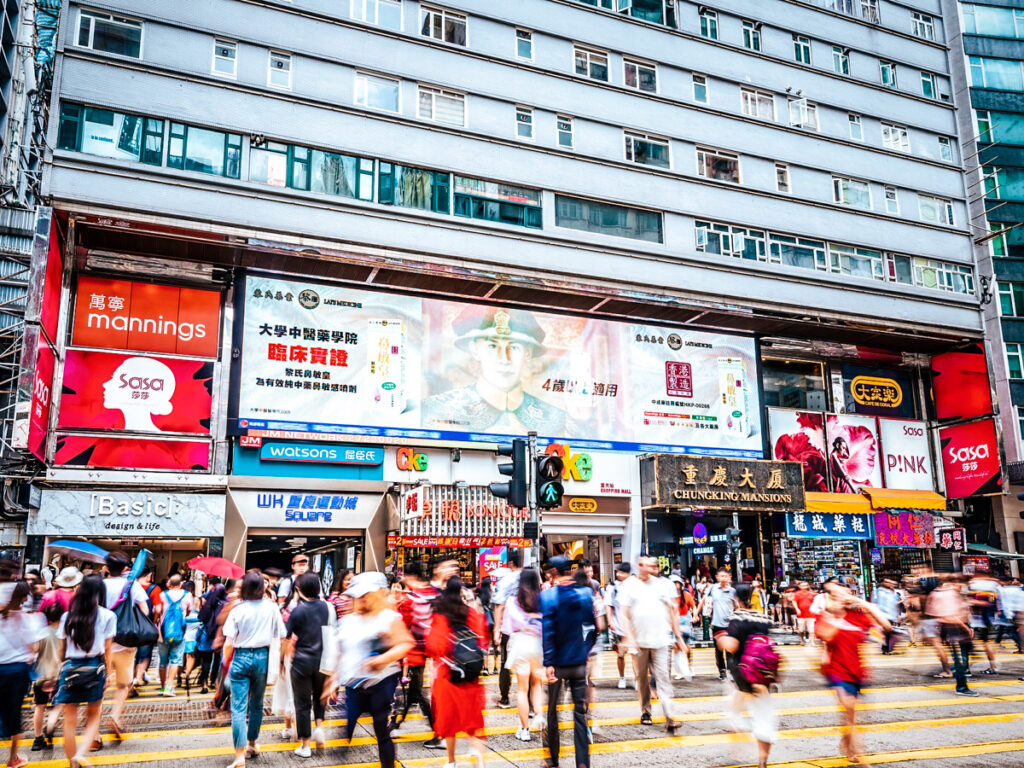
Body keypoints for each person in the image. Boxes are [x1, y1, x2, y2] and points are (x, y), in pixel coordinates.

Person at [421, 307, 568, 433]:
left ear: (528, 353)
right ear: (475, 350)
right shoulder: (438, 409)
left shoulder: (555, 419)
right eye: (492, 346)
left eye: (514, 348)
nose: (504, 359)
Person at [324, 572, 413, 768]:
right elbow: (342, 652)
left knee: (382, 732)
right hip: (353, 685)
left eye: (365, 595)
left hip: (381, 685)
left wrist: (383, 659)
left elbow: (405, 643)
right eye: (357, 596)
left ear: (379, 594)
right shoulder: (348, 621)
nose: (361, 600)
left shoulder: (388, 617)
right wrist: (333, 681)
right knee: (344, 731)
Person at [815, 580, 892, 765]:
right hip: (837, 671)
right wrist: (836, 615)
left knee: (851, 715)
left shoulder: (858, 615)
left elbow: (886, 627)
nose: (839, 599)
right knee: (850, 711)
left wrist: (865, 604)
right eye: (834, 596)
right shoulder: (825, 617)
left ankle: (846, 741)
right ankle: (859, 754)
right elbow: (826, 636)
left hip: (857, 671)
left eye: (842, 595)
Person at [222, 570, 287, 768]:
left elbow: (228, 643)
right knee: (257, 704)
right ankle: (252, 743)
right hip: (262, 657)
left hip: (240, 657)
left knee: (238, 709)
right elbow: (282, 635)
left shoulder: (237, 610)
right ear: (262, 587)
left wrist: (227, 664)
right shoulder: (271, 608)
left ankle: (239, 756)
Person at [56, 574, 116, 768]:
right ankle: (81, 753)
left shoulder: (67, 616)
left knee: (69, 721)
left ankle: (72, 762)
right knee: (93, 716)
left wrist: (61, 669)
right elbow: (108, 650)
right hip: (95, 667)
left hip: (71, 667)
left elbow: (60, 651)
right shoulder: (108, 615)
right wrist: (110, 672)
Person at [427, 576, 487, 768]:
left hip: (448, 675)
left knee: (449, 722)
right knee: (473, 720)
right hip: (471, 677)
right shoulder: (470, 613)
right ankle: (477, 754)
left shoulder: (441, 615)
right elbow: (482, 638)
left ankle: (452, 761)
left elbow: (434, 646)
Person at [541, 556, 595, 768]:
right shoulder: (586, 594)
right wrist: (585, 651)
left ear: (554, 572)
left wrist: (548, 662)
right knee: (580, 714)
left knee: (553, 712)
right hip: (579, 662)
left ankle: (553, 760)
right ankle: (582, 763)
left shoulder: (548, 597)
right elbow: (593, 628)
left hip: (558, 664)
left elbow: (548, 631)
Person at [619, 554, 683, 732]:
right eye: (641, 565)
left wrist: (679, 637)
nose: (645, 568)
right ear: (637, 566)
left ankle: (670, 716)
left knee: (663, 678)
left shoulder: (665, 585)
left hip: (662, 640)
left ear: (655, 567)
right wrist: (628, 637)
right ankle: (646, 710)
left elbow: (673, 612)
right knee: (642, 679)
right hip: (638, 642)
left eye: (649, 565)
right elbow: (624, 613)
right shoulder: (629, 585)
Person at [717, 583, 777, 768]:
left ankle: (737, 744)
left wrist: (721, 640)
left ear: (735, 598)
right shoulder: (764, 619)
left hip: (741, 675)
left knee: (734, 711)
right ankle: (762, 761)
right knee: (764, 717)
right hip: (763, 676)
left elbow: (732, 645)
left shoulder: (736, 619)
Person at [395, 560, 442, 748]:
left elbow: (404, 625)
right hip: (431, 649)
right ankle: (396, 723)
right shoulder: (433, 593)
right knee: (415, 692)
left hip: (414, 652)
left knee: (417, 693)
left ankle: (439, 734)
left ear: (410, 576)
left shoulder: (411, 598)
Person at [102, 551, 149, 740]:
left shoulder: (99, 585)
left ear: (106, 569)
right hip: (126, 642)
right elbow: (144, 609)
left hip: (103, 642)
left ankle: (94, 732)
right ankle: (115, 716)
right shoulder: (132, 585)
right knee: (123, 685)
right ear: (125, 569)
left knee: (100, 687)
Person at [285, 572, 330, 758]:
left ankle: (305, 745)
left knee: (302, 704)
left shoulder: (297, 611)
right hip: (321, 660)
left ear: (299, 589)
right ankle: (319, 727)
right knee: (319, 697)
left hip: (301, 662)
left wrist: (282, 661)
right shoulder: (325, 607)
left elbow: (288, 638)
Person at [0, 581, 43, 768]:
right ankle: (13, 759)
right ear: (26, 598)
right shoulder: (28, 618)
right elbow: (34, 646)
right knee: (14, 713)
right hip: (17, 671)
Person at [504, 567, 544, 741]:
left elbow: (507, 627)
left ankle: (524, 729)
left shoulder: (513, 601)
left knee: (522, 689)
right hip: (538, 644)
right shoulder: (543, 599)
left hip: (520, 643)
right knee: (537, 685)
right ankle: (539, 718)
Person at [927, 577, 978, 697]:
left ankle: (960, 680)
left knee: (958, 658)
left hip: (945, 629)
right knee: (958, 659)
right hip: (953, 629)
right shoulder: (949, 594)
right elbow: (950, 616)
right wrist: (966, 628)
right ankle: (961, 687)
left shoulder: (935, 593)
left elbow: (931, 613)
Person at [490, 549, 522, 708]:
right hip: (528, 628)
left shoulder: (505, 580)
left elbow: (499, 606)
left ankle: (505, 698)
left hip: (510, 627)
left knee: (506, 662)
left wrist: (497, 629)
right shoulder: (530, 577)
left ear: (510, 563)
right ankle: (528, 701)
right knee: (525, 663)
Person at [31, 601, 64, 752]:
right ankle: (50, 726)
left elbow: (34, 651)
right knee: (58, 704)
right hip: (58, 674)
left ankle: (38, 739)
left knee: (39, 706)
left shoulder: (41, 632)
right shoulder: (64, 633)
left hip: (41, 674)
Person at [697, 568, 738, 681]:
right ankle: (722, 671)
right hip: (716, 624)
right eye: (721, 576)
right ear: (717, 577)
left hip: (730, 624)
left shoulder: (733, 591)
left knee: (730, 649)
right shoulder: (713, 588)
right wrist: (696, 614)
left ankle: (731, 670)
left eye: (725, 576)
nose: (723, 578)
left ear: (729, 577)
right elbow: (703, 600)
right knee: (719, 649)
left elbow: (738, 606)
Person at [158, 573, 195, 696]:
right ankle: (169, 687)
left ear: (169, 584)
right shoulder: (187, 595)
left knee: (163, 661)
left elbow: (157, 611)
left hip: (163, 633)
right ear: (181, 584)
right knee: (175, 660)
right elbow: (189, 611)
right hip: (179, 632)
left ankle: (163, 687)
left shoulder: (162, 595)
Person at [604, 562, 635, 689]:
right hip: (619, 626)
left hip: (633, 626)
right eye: (617, 572)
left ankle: (637, 677)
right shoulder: (612, 587)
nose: (618, 574)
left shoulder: (634, 585)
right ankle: (622, 677)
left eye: (621, 572)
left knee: (635, 654)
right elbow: (608, 605)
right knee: (621, 654)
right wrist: (610, 621)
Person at [133, 567, 161, 692]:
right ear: (149, 575)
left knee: (132, 652)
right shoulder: (154, 589)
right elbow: (158, 609)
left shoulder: (130, 587)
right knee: (145, 652)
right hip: (146, 624)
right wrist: (153, 621)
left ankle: (132, 677)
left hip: (131, 624)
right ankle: (139, 676)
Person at [195, 583, 228, 694]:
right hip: (220, 636)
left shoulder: (208, 604)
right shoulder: (226, 604)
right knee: (217, 660)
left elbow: (201, 617)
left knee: (206, 660)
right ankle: (214, 681)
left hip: (207, 635)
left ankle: (204, 683)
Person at [967, 572, 1002, 674]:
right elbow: (995, 600)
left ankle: (967, 668)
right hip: (989, 617)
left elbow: (973, 601)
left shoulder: (976, 585)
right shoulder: (993, 585)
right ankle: (993, 667)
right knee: (984, 642)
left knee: (969, 641)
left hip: (978, 618)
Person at [670, 575, 694, 681]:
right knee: (676, 647)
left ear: (681, 584)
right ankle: (679, 671)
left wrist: (695, 615)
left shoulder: (686, 595)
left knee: (687, 647)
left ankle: (688, 667)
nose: (675, 586)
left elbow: (693, 606)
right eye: (673, 583)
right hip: (674, 621)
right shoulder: (670, 596)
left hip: (685, 621)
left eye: (677, 583)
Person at [872, 578, 901, 655]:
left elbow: (893, 605)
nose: (889, 584)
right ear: (883, 583)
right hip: (882, 616)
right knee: (887, 633)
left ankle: (886, 648)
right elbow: (875, 604)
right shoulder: (878, 592)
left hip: (890, 616)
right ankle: (887, 649)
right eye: (887, 582)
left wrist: (897, 616)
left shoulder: (891, 592)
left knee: (887, 633)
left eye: (891, 583)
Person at [793, 580, 816, 646]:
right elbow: (794, 602)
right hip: (801, 615)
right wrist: (797, 609)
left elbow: (815, 602)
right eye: (803, 585)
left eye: (806, 585)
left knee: (811, 628)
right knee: (802, 629)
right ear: (799, 586)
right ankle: (802, 640)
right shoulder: (797, 594)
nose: (805, 587)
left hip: (811, 614)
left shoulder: (812, 594)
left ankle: (812, 642)